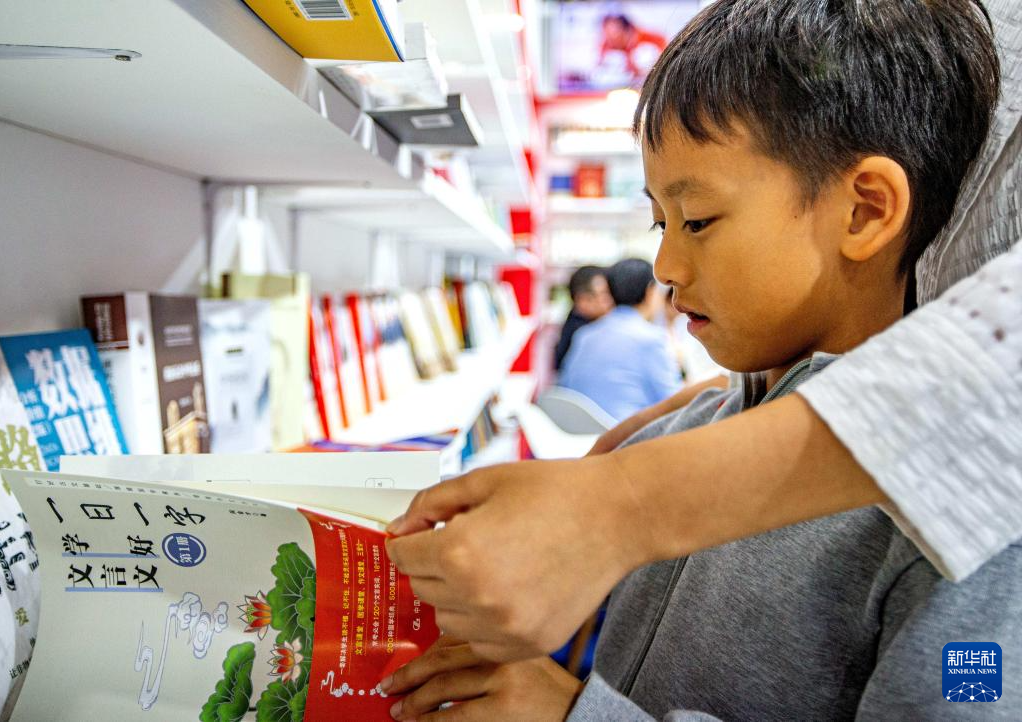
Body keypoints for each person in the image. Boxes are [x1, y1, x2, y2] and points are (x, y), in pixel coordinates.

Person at [381, 3, 1017, 718]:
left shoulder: (961, 525)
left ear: (864, 211)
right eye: (660, 222)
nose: (665, 266)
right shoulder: (672, 438)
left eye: (697, 221)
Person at [558, 258, 680, 420]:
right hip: (627, 432)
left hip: (578, 430)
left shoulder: (584, 335)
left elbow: (566, 387)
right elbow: (675, 402)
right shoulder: (651, 338)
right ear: (650, 292)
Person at [553, 266, 613, 372]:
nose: (610, 300)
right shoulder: (582, 335)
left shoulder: (578, 323)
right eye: (604, 294)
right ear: (582, 300)